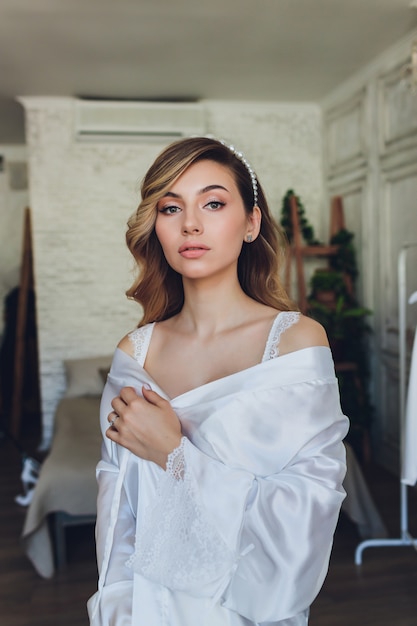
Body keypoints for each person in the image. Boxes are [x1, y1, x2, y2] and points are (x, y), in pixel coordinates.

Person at [87, 137, 349, 626]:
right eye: (171, 207)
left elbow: (308, 509)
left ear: (251, 223)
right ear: (156, 228)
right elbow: (117, 507)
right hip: (144, 607)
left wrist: (175, 455)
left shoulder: (295, 344)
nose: (191, 223)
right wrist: (117, 606)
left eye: (212, 202)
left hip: (242, 608)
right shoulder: (134, 355)